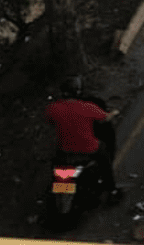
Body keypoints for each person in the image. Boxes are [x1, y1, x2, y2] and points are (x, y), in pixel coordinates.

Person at [45, 76, 121, 204]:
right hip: (89, 149)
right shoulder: (87, 107)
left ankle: (62, 190)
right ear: (78, 91)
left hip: (65, 150)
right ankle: (111, 189)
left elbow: (51, 121)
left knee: (57, 164)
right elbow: (104, 118)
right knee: (105, 159)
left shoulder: (53, 109)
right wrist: (114, 113)